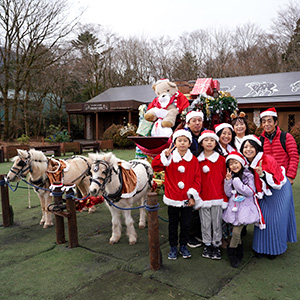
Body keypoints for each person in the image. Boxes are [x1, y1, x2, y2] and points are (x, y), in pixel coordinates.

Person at [240, 135, 297, 259]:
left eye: (251, 146)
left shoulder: (267, 159)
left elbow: (276, 182)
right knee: (263, 218)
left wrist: (262, 174)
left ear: (257, 148)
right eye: (245, 147)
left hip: (279, 190)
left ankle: (275, 249)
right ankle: (260, 248)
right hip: (263, 193)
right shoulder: (245, 162)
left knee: (276, 220)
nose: (248, 149)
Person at [151, 129, 202, 260]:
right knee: (172, 224)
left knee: (186, 224)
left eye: (185, 141)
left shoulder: (194, 160)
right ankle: (173, 246)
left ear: (189, 143)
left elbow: (197, 179)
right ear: (175, 143)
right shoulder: (169, 158)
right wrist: (164, 156)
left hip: (187, 199)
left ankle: (183, 245)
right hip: (172, 197)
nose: (182, 143)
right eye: (179, 140)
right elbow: (155, 166)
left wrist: (192, 196)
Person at [223, 151, 265, 268]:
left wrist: (235, 181)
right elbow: (227, 193)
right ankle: (238, 251)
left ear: (241, 163)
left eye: (236, 162)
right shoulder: (231, 176)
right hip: (233, 208)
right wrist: (227, 181)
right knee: (237, 233)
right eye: (231, 164)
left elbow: (249, 191)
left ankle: (231, 254)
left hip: (244, 209)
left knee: (236, 232)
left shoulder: (248, 175)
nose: (234, 166)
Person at [197, 130, 227, 260]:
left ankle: (216, 245)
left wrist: (225, 197)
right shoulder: (197, 160)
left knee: (217, 222)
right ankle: (207, 244)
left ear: (216, 143)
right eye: (206, 140)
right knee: (205, 223)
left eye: (212, 140)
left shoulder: (221, 160)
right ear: (201, 143)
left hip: (217, 196)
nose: (209, 143)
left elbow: (225, 180)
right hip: (203, 197)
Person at [259, 107, 299, 185]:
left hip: (284, 178)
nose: (266, 124)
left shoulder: (286, 137)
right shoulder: (260, 140)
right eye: (264, 122)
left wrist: (290, 176)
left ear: (276, 122)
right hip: (267, 179)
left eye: (269, 121)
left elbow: (294, 156)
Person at [185, 110, 205, 248]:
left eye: (199, 120)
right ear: (188, 123)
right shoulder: (184, 136)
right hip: (188, 175)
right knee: (190, 206)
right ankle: (189, 236)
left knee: (201, 204)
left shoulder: (206, 134)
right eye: (194, 120)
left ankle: (198, 232)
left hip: (204, 174)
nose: (197, 123)